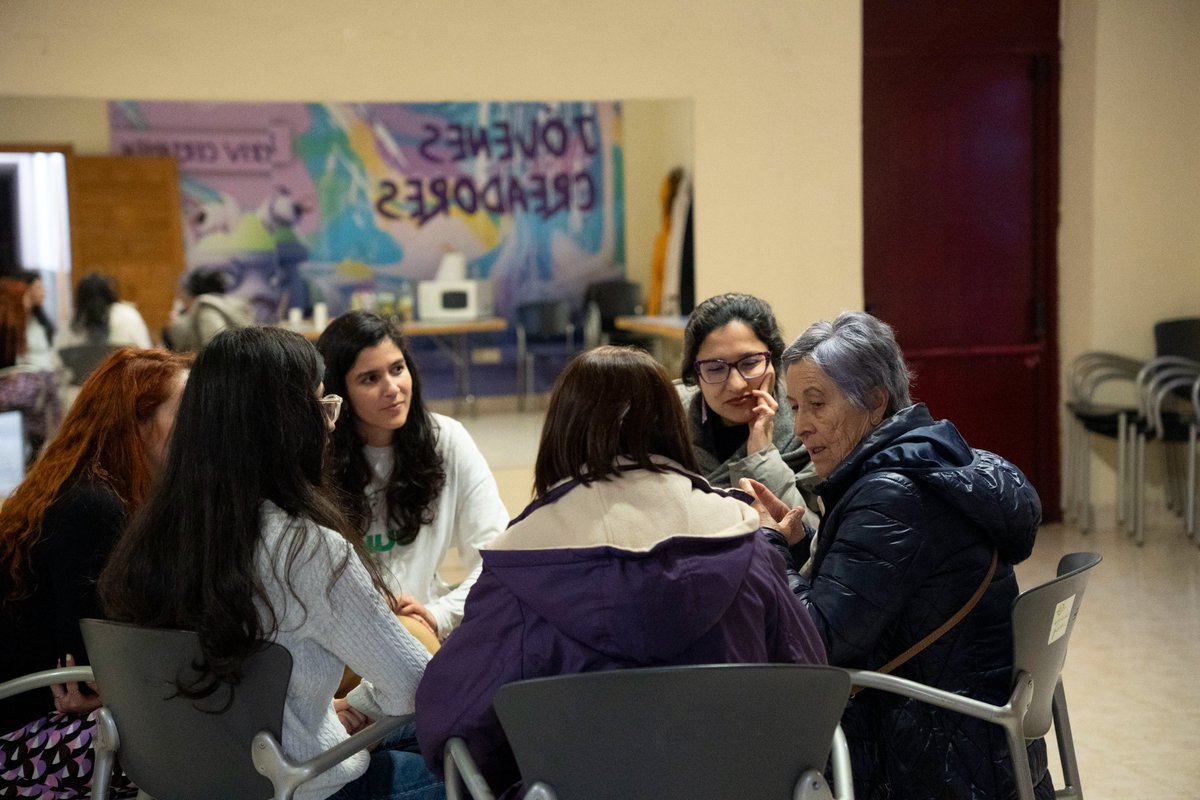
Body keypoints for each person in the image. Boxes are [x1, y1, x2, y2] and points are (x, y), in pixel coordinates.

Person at [416, 346, 827, 798]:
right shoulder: (745, 544)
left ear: (561, 431)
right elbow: (807, 692)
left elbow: (450, 726)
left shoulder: (522, 566)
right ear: (672, 424)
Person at [97, 327, 443, 800]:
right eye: (321, 407)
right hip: (293, 783)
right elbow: (415, 685)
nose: (329, 425)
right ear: (284, 425)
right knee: (479, 756)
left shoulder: (149, 536)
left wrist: (321, 716)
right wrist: (353, 708)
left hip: (186, 786)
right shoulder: (305, 549)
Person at [743, 311, 1050, 800]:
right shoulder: (933, 459)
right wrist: (799, 545)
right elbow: (879, 597)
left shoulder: (892, 495)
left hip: (925, 754)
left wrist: (769, 547)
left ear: (875, 400)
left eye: (817, 404)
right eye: (794, 406)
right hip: (974, 738)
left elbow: (816, 645)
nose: (800, 427)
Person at [0, 347, 192, 798]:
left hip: (50, 718)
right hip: (23, 734)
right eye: (189, 415)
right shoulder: (92, 505)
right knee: (206, 750)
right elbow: (91, 668)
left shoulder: (98, 494)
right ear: (137, 425)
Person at [316, 311, 508, 640]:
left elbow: (498, 558)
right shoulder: (318, 455)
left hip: (422, 630)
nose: (392, 388)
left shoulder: (446, 439)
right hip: (342, 638)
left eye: (397, 369)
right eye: (370, 379)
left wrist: (439, 614)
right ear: (340, 391)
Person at [677, 293, 820, 534]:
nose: (736, 384)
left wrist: (762, 456)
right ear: (695, 377)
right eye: (714, 368)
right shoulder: (668, 421)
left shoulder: (808, 425)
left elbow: (814, 535)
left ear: (774, 361)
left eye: (749, 363)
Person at [163, 267, 255, 352]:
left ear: (190, 294)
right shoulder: (226, 304)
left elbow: (217, 347)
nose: (180, 299)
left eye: (181, 294)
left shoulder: (206, 307)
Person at [56, 272, 152, 349]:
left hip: (81, 374)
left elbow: (57, 360)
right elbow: (146, 352)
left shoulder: (71, 321)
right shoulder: (128, 314)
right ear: (109, 294)